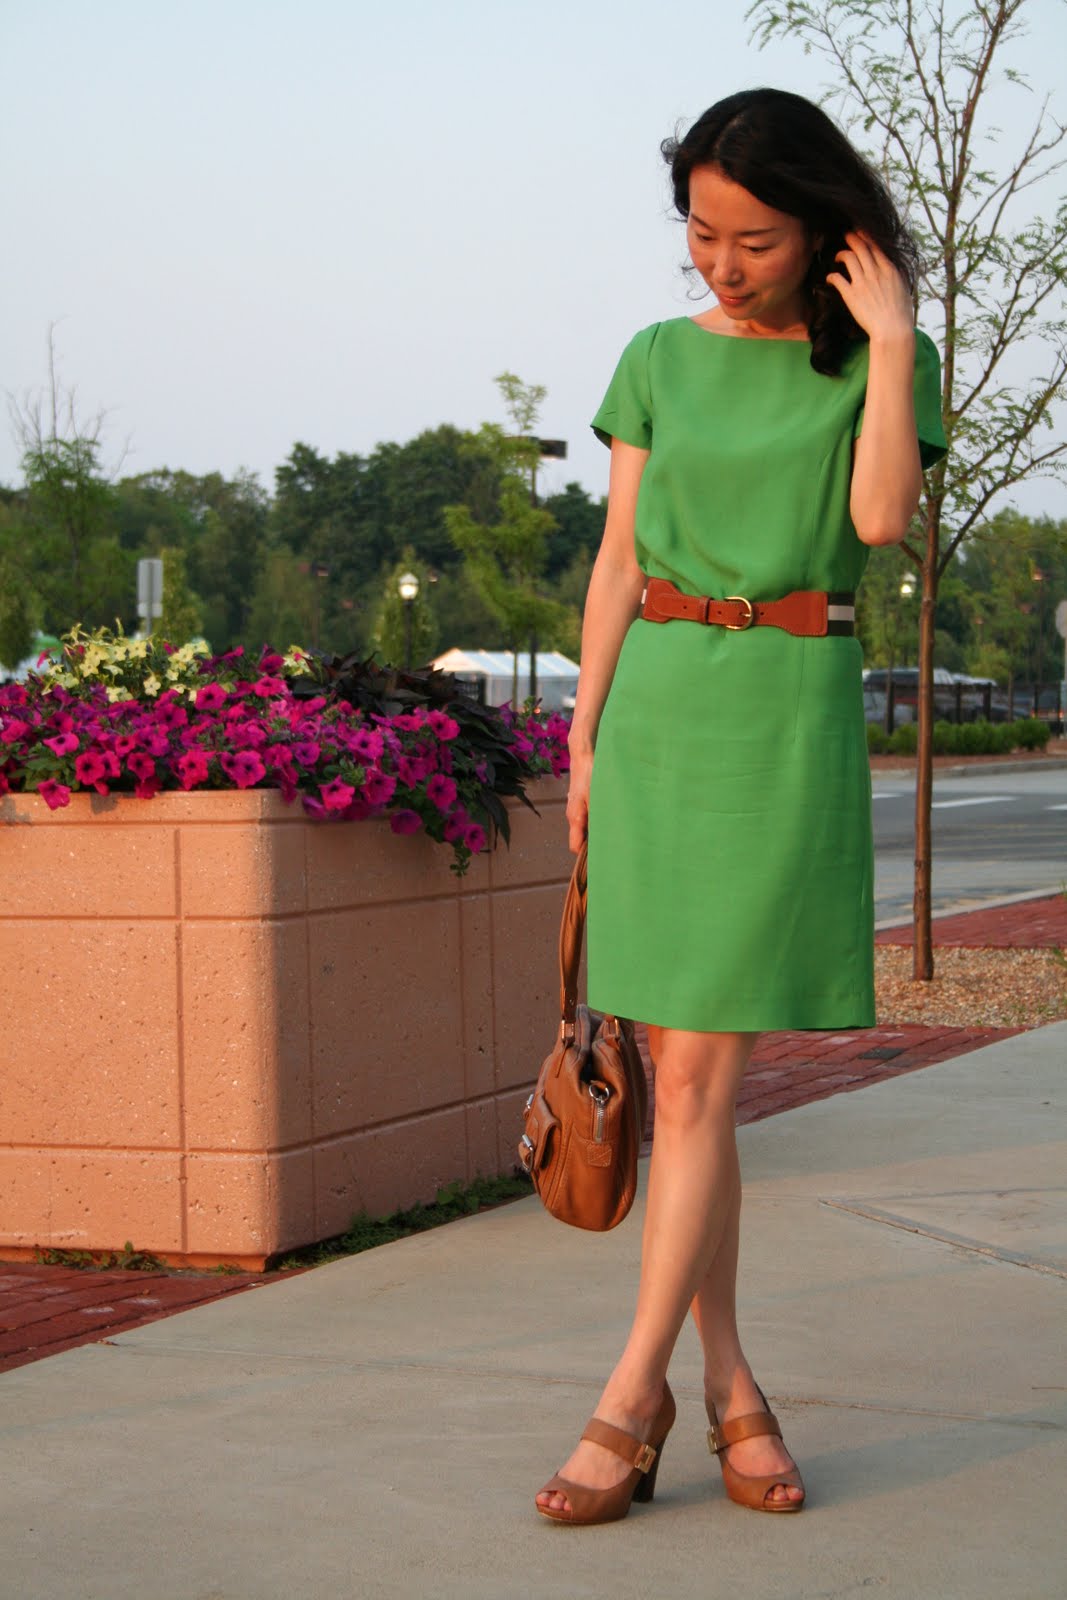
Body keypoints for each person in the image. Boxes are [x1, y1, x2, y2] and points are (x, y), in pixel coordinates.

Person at [535, 86, 947, 1526]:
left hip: (784, 713)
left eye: (753, 239)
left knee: (703, 1081)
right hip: (658, 716)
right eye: (701, 235)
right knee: (687, 1080)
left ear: (825, 229)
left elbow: (881, 522)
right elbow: (615, 560)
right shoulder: (657, 357)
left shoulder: (885, 360)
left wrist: (889, 341)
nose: (721, 263)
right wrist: (584, 738)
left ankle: (627, 1396)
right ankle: (728, 1388)